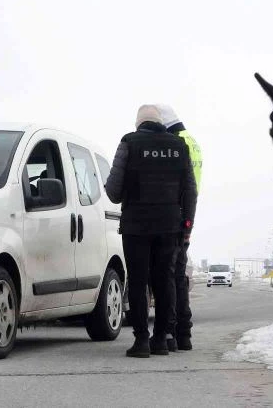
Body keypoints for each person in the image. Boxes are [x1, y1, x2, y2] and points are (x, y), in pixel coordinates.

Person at [105, 105, 198, 358]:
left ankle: (141, 341)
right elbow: (190, 191)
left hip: (136, 226)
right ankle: (160, 340)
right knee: (165, 280)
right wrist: (187, 225)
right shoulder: (180, 147)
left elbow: (113, 192)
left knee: (138, 280)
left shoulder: (129, 143)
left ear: (139, 123)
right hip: (170, 226)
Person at [156, 104, 202, 351]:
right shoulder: (192, 141)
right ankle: (184, 333)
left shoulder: (176, 144)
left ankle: (173, 332)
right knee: (179, 277)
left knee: (171, 277)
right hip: (188, 215)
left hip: (175, 216)